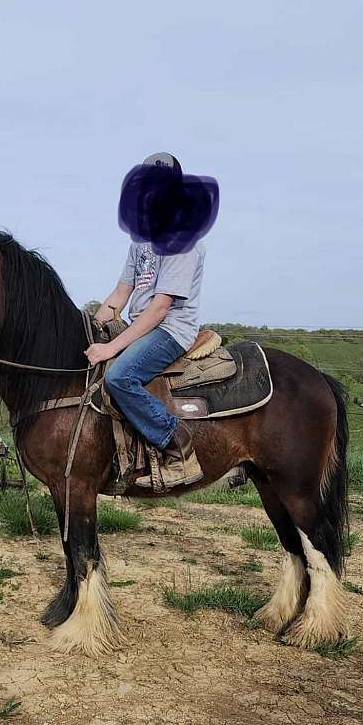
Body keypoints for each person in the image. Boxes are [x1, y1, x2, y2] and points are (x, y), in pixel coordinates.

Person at [85, 152, 216, 489]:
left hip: (170, 328)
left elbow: (160, 308)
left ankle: (177, 445)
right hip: (141, 325)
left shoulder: (183, 242)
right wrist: (90, 327)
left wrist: (111, 347)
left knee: (119, 376)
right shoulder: (140, 242)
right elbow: (119, 294)